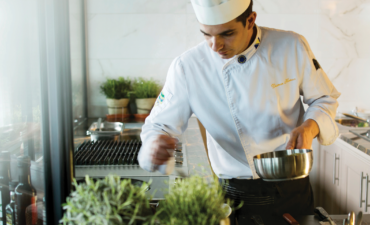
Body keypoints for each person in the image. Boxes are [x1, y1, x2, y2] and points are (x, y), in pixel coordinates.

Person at [138, 0, 340, 223]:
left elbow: (324, 98)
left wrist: (310, 127)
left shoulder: (291, 46)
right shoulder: (188, 67)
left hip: (291, 190)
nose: (215, 46)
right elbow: (157, 125)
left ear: (251, 21)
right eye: (206, 35)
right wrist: (155, 144)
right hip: (231, 198)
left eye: (227, 34)